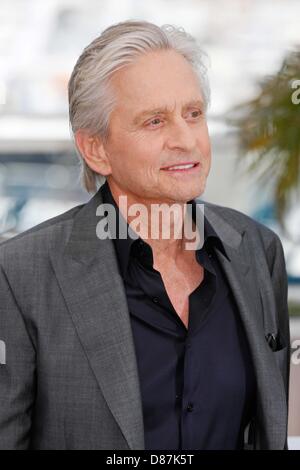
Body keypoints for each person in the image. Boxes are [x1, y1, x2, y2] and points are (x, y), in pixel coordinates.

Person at [0, 20, 290, 450]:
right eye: (155, 121)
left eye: (193, 114)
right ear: (96, 148)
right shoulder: (21, 275)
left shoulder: (257, 252)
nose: (186, 139)